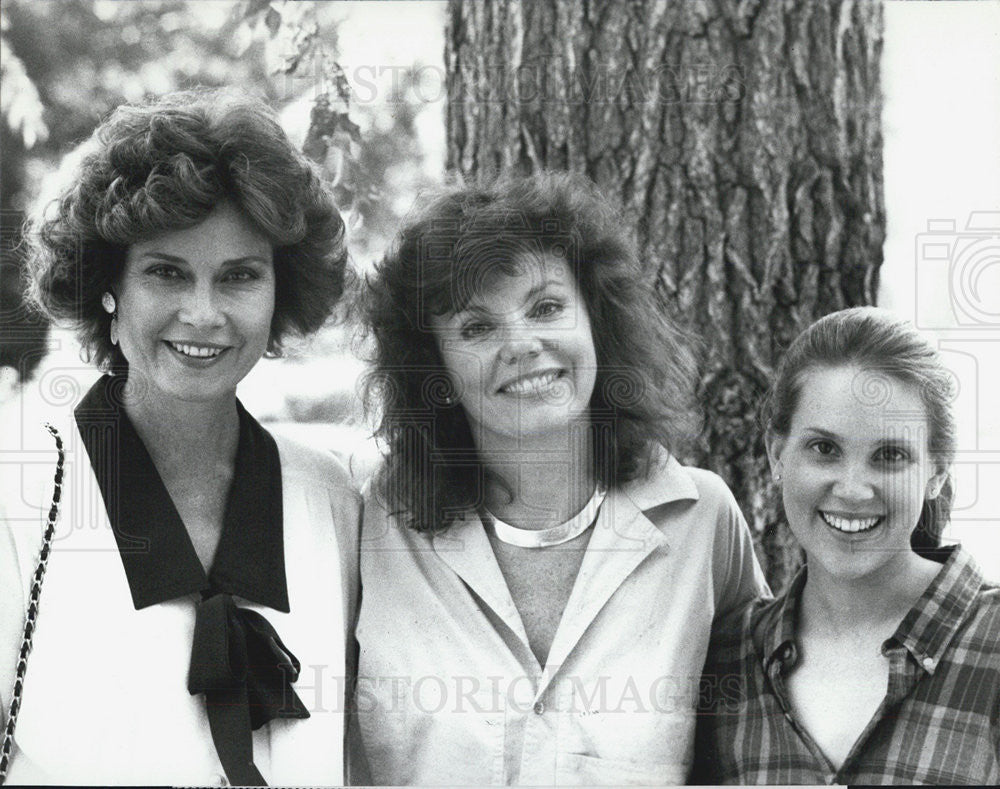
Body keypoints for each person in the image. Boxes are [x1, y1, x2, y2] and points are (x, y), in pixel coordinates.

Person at [354, 173, 769, 785]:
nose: (522, 345)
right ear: (431, 365)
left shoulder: (700, 518)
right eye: (476, 328)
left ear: (598, 320)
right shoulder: (372, 525)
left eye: (546, 307)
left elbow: (757, 743)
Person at [0, 88, 360, 786]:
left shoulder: (333, 500)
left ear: (279, 293)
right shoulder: (19, 482)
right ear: (109, 285)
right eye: (166, 272)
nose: (203, 313)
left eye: (239, 277)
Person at [693, 307, 1000, 785]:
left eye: (890, 455)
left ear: (936, 471)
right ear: (778, 454)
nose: (854, 489)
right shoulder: (725, 660)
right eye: (824, 449)